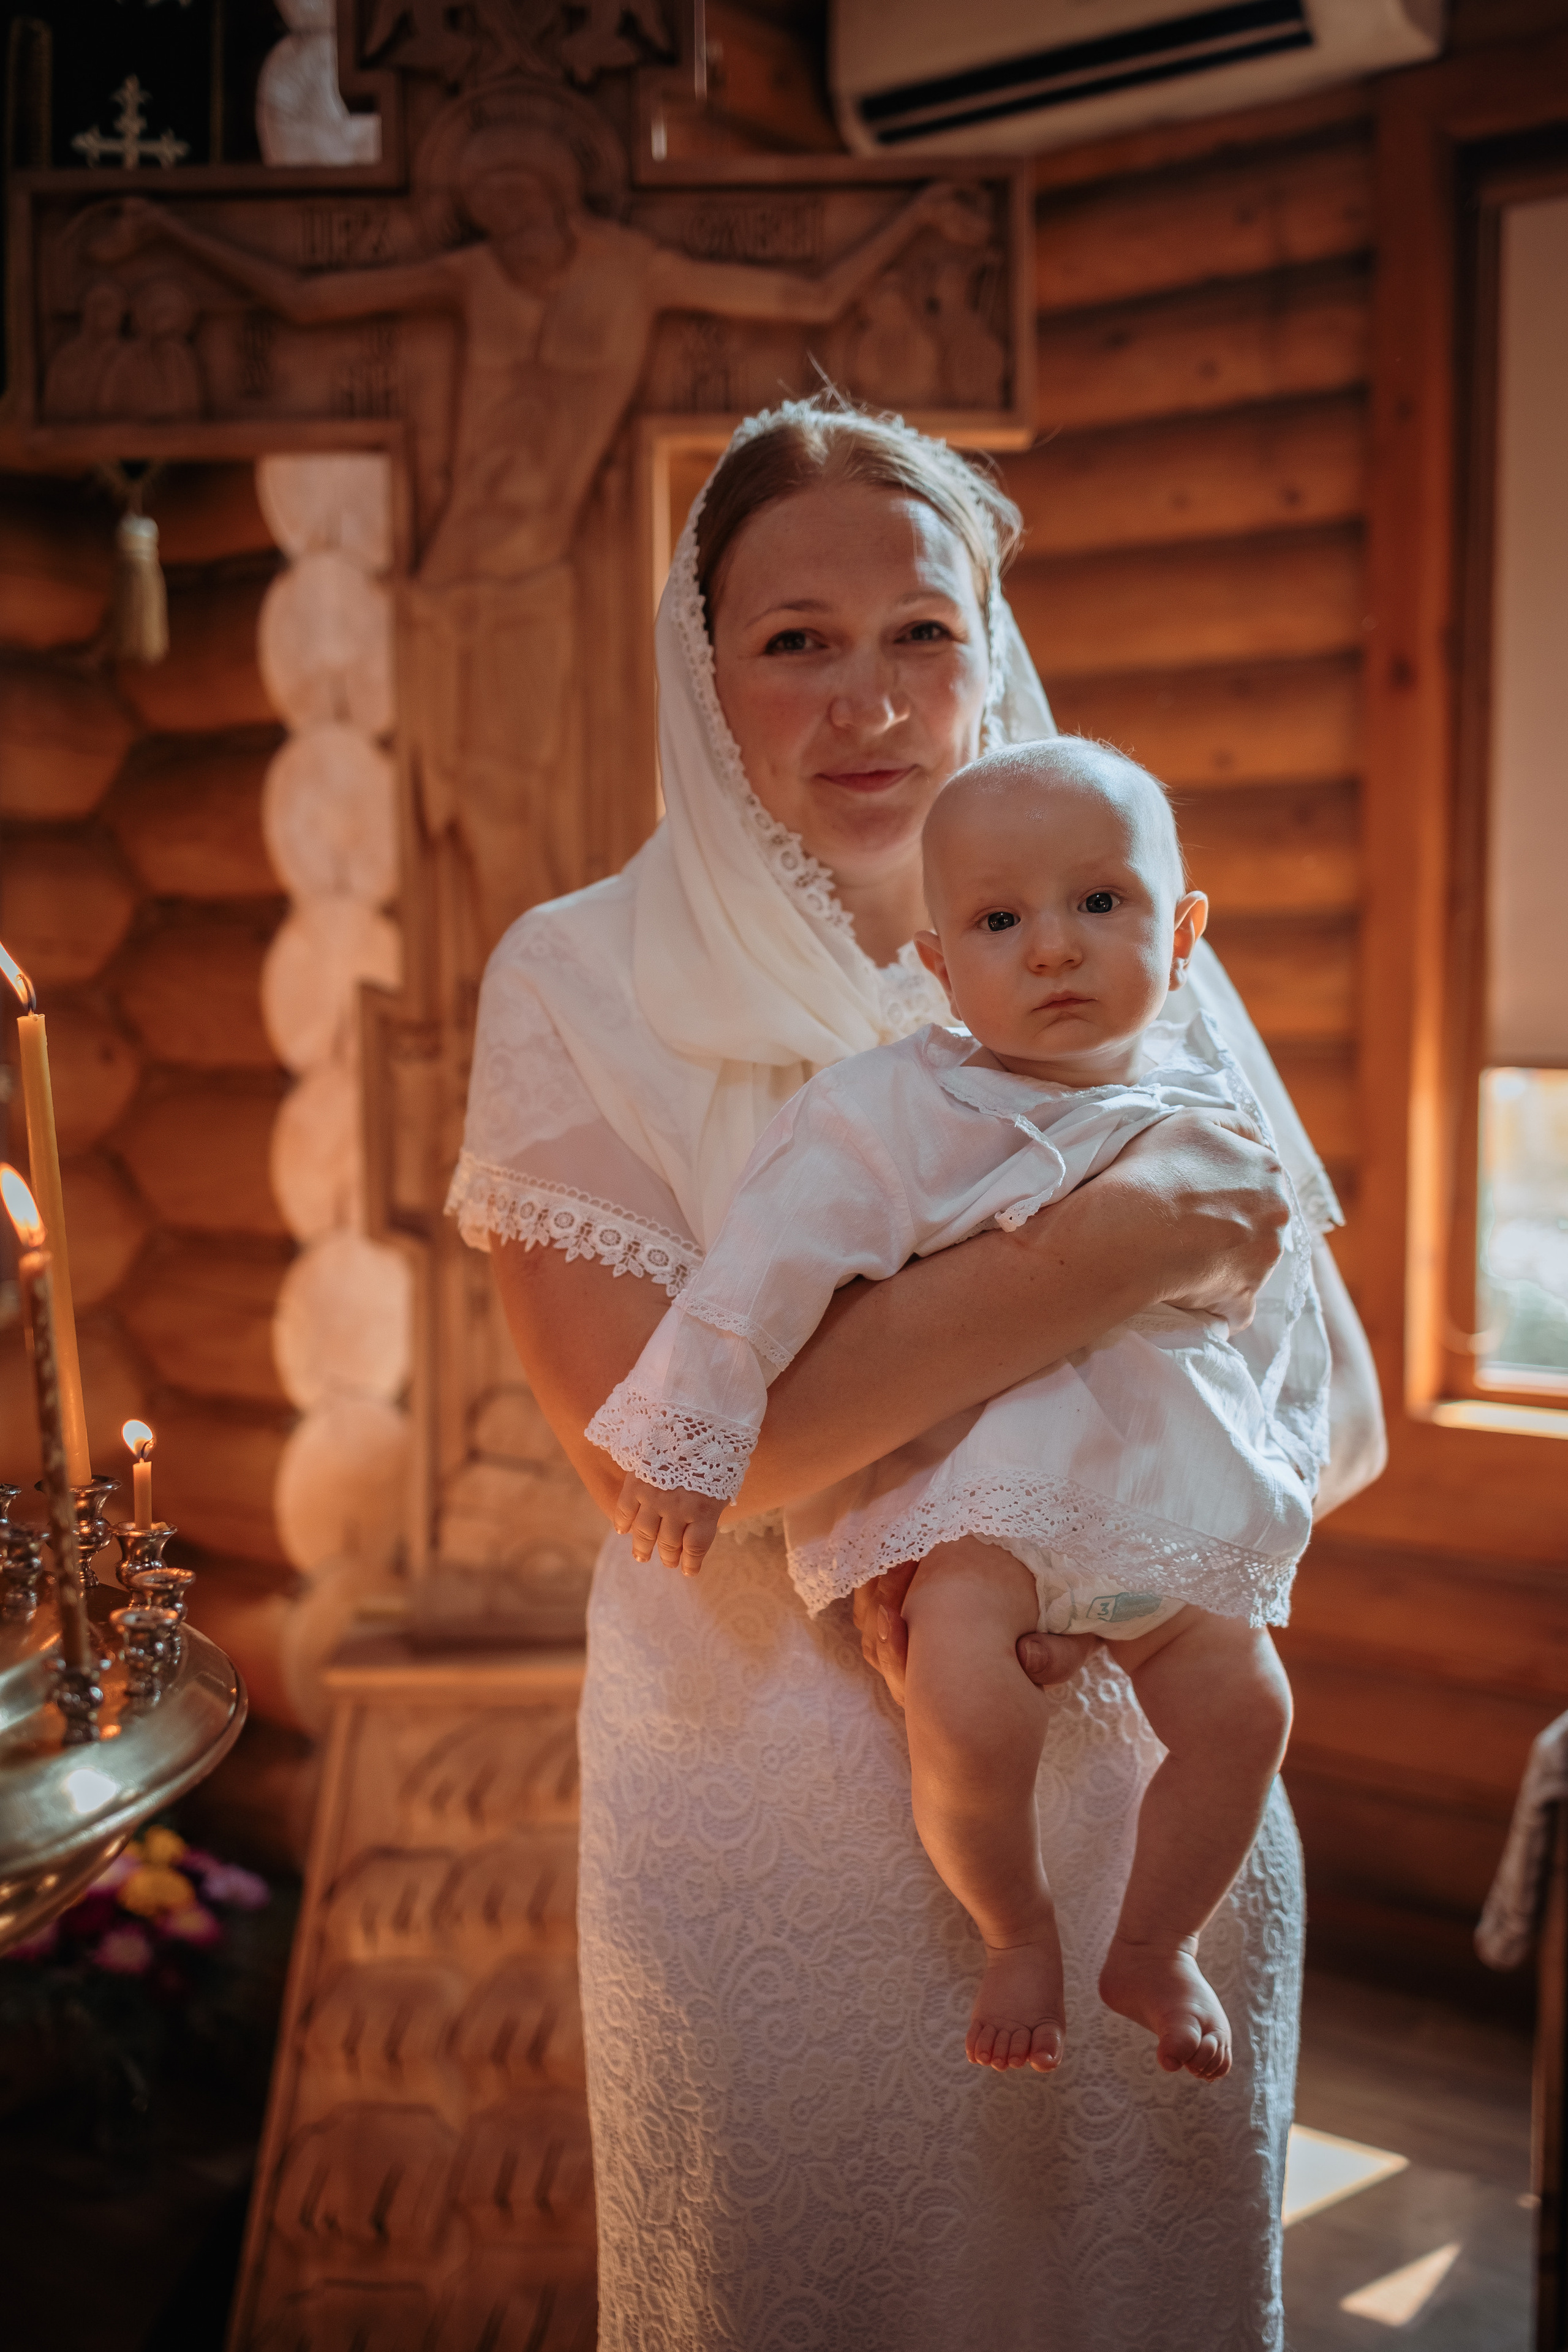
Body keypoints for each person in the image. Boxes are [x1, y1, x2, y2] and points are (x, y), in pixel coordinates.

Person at [448, 398, 1386, 2351]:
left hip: (1135, 1780)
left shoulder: (1113, 930)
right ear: (704, 674)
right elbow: (676, 1470)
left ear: (990, 639)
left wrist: (1138, 1521)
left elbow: (1304, 1371)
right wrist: (1105, 1258)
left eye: (920, 630)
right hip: (759, 1797)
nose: (868, 700)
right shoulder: (576, 979)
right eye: (796, 638)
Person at [590, 736, 1325, 2086]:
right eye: (998, 920)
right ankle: (1017, 1926)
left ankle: (1155, 1941)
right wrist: (686, 1440)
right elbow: (755, 1275)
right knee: (965, 1699)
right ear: (937, 965)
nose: (1051, 949)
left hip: (1167, 1507)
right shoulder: (894, 1112)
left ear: (1180, 935)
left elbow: (1281, 1335)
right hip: (995, 1509)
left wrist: (1270, 1486)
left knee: (1246, 1713)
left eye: (1098, 903)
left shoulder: (1209, 1112)